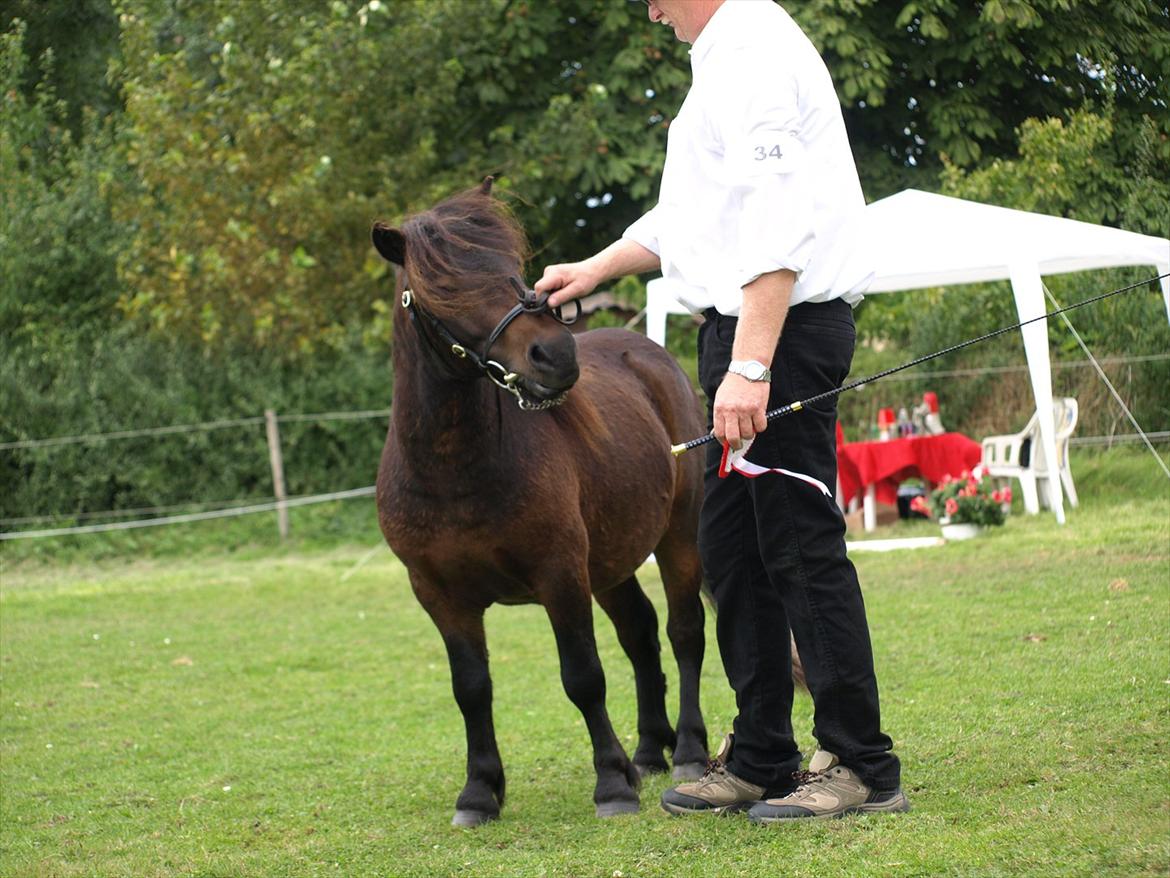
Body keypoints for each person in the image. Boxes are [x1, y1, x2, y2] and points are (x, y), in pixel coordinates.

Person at [534, 0, 908, 822]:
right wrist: (596, 268)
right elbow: (696, 216)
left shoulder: (754, 51)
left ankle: (861, 762)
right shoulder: (719, 56)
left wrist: (751, 365)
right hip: (743, 336)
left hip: (780, 336)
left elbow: (778, 218)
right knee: (732, 553)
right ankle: (764, 756)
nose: (649, 9)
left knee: (800, 547)